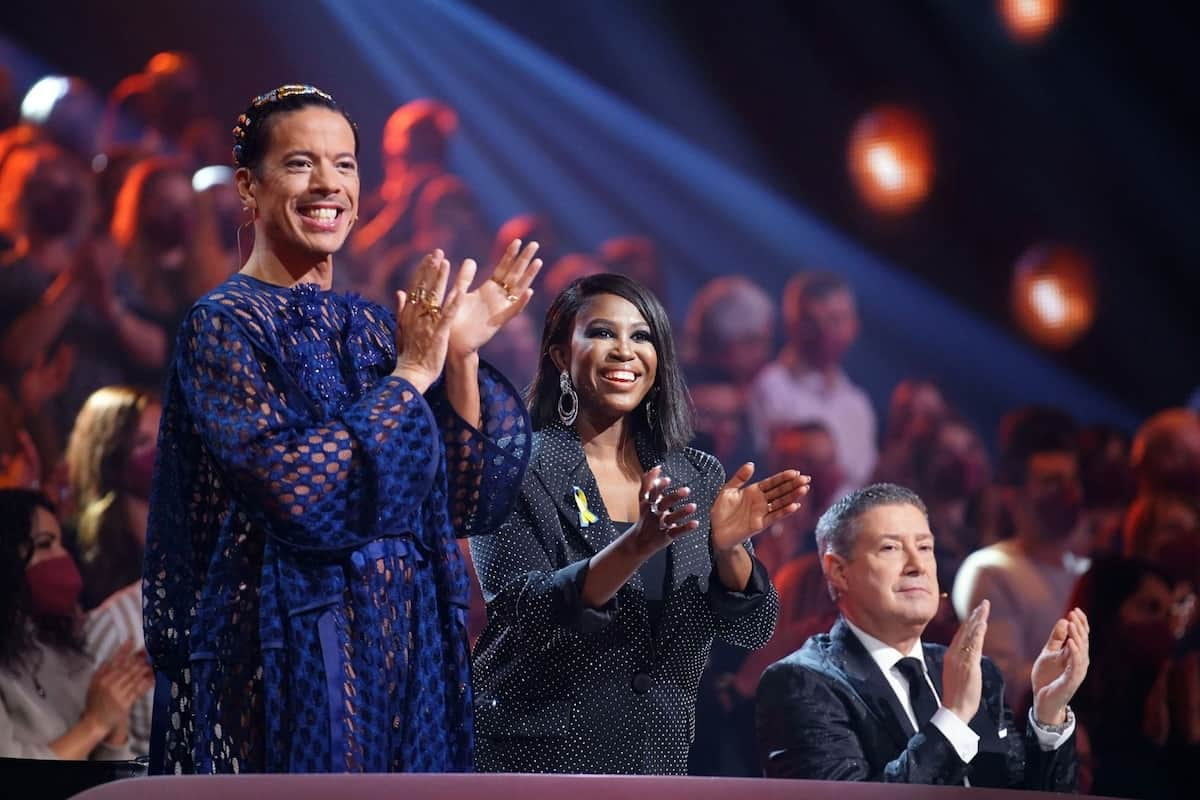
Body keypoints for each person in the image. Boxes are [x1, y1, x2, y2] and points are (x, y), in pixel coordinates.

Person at [142, 85, 541, 775]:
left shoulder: (374, 325)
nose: (329, 184)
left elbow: (465, 499)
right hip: (290, 648)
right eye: (300, 164)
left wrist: (461, 359)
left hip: (407, 641)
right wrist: (415, 371)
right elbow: (294, 487)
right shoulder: (224, 325)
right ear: (249, 187)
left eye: (346, 164)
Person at [469, 273, 808, 774]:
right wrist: (638, 545)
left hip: (657, 756)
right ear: (561, 355)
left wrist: (730, 550)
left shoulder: (698, 473)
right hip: (538, 757)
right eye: (602, 333)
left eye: (641, 336)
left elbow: (753, 630)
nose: (625, 350)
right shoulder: (513, 464)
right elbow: (526, 613)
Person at [756, 483, 1087, 788]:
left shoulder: (976, 673)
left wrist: (1048, 716)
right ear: (839, 571)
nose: (918, 565)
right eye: (890, 548)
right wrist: (954, 716)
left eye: (925, 547)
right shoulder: (801, 682)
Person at [0, 488, 152, 760]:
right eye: (46, 545)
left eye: (61, 545)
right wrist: (95, 724)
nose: (62, 558)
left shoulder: (61, 651)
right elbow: (14, 778)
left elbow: (110, 781)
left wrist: (116, 718)